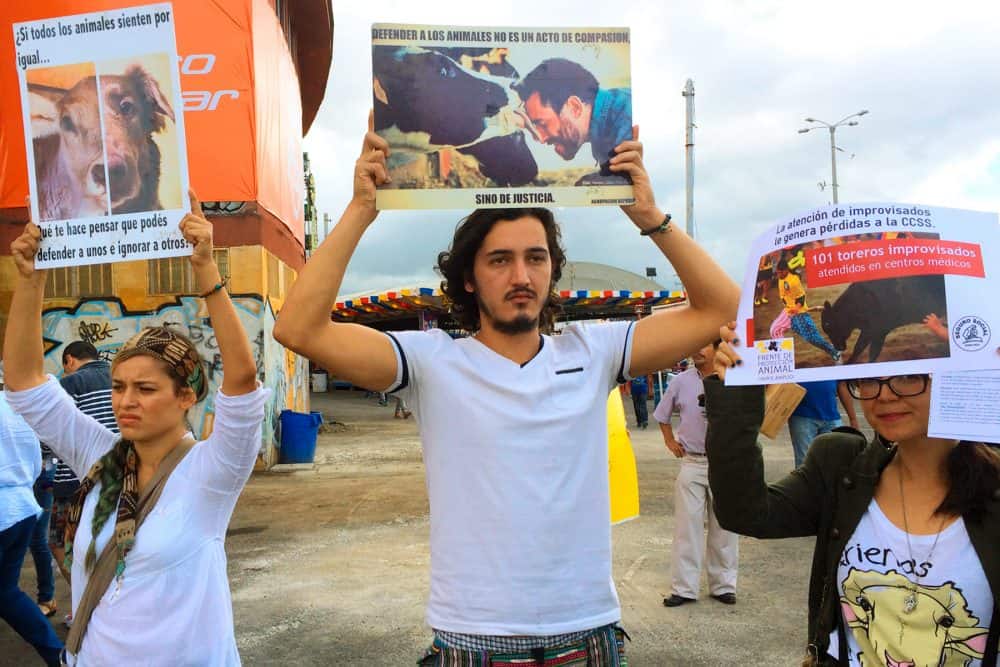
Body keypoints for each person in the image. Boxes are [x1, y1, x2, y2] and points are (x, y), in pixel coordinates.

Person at [273, 112, 739, 664]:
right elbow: (298, 328)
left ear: (552, 270)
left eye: (535, 258)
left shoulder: (594, 351)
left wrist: (648, 216)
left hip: (586, 631)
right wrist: (361, 209)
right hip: (472, 638)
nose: (521, 275)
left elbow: (723, 307)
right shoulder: (430, 362)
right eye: (500, 260)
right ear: (468, 278)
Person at [3, 193, 265, 666]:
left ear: (186, 396)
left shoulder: (212, 472)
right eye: (119, 386)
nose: (125, 400)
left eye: (145, 388)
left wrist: (206, 270)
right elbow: (24, 383)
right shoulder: (100, 457)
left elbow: (243, 383)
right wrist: (31, 281)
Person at [704, 322, 1000, 666]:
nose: (884, 394)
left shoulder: (993, 488)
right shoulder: (840, 469)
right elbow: (744, 511)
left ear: (948, 375)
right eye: (869, 379)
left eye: (908, 376)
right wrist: (736, 396)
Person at [654, 340, 739, 608]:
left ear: (717, 348)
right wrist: (670, 441)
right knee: (686, 527)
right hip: (692, 461)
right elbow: (663, 415)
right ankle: (684, 588)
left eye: (704, 345)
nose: (697, 350)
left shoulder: (733, 376)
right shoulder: (680, 381)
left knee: (725, 527)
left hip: (725, 462)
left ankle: (723, 585)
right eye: (695, 345)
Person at [0, 364, 63, 666]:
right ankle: (59, 656)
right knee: (6, 592)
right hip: (22, 508)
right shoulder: (13, 409)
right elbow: (38, 462)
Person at [52, 340, 119, 627]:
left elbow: (56, 436)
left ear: (69, 360)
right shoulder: (118, 377)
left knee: (59, 543)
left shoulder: (70, 384)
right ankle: (108, 601)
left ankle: (87, 603)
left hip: (74, 480)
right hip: (119, 475)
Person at [513, 58, 632, 183]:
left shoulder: (627, 117)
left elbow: (626, 183)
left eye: (542, 124)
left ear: (575, 107)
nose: (541, 139)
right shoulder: (608, 121)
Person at [771, 259, 842, 364]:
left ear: (786, 270)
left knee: (811, 337)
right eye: (777, 273)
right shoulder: (781, 278)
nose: (778, 275)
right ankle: (782, 357)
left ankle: (834, 350)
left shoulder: (794, 281)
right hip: (789, 312)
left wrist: (796, 308)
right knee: (776, 329)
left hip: (799, 314)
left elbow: (801, 297)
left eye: (780, 272)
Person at [788, 380, 859, 468]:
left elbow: (842, 386)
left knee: (835, 463)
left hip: (832, 417)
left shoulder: (835, 366)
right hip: (802, 415)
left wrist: (853, 419)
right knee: (804, 464)